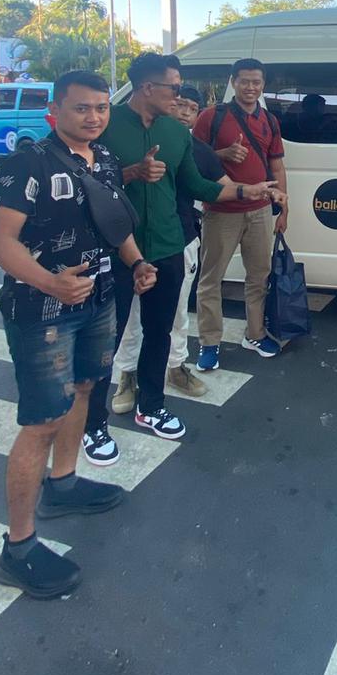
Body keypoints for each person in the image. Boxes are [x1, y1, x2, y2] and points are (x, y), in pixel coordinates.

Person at [0, 70, 158, 598]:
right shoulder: (27, 164)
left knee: (85, 390)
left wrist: (136, 262)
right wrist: (50, 283)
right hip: (42, 311)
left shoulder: (102, 159)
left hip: (99, 299)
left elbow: (113, 224)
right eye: (82, 108)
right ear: (55, 111)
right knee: (42, 421)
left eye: (101, 107)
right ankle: (17, 549)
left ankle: (62, 485)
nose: (94, 117)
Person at [84, 53, 283, 465]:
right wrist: (131, 173)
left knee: (160, 332)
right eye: (173, 88)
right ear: (147, 88)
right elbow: (81, 179)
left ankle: (151, 406)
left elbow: (198, 185)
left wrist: (248, 191)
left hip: (167, 247)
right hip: (114, 250)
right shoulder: (105, 124)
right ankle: (92, 425)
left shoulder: (175, 134)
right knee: (105, 340)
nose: (179, 96)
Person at [110, 85, 222, 411]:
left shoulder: (193, 145)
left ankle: (175, 368)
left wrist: (252, 192)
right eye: (177, 102)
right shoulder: (119, 132)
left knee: (175, 315)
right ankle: (127, 375)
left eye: (191, 107)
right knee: (130, 317)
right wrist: (133, 172)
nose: (182, 110)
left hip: (178, 241)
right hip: (128, 243)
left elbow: (213, 185)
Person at [193, 58, 288, 366]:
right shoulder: (211, 117)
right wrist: (222, 154)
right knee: (211, 279)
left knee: (259, 277)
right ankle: (209, 344)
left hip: (260, 210)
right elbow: (190, 160)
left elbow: (276, 165)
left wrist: (283, 207)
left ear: (263, 85)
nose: (250, 87)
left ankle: (255, 334)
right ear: (233, 82)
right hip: (221, 210)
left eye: (256, 82)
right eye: (244, 81)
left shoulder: (269, 120)